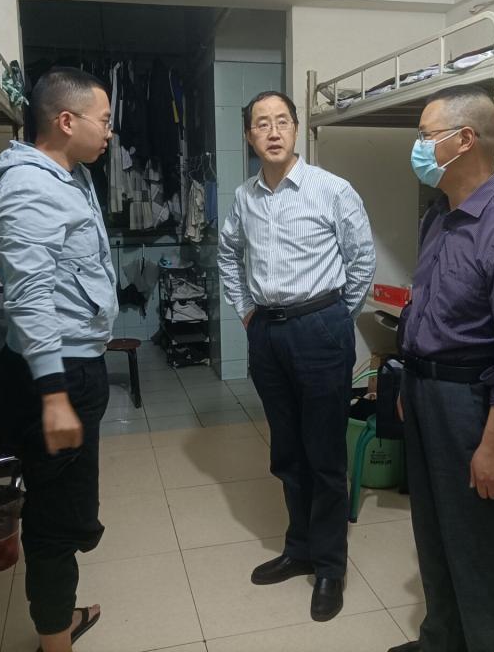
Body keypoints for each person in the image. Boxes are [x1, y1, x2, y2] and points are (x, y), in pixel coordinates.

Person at [388, 85, 494, 652]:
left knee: (481, 550)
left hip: (472, 408)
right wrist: (410, 379)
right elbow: (426, 306)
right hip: (426, 393)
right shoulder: (439, 216)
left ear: (464, 140)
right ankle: (442, 641)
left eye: (426, 135)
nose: (418, 147)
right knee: (433, 532)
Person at [0, 67, 118, 652]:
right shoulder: (29, 187)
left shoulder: (71, 176)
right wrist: (55, 395)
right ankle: (55, 641)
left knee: (68, 508)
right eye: (103, 120)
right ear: (66, 120)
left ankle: (59, 617)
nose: (109, 131)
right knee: (57, 520)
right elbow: (29, 297)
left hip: (73, 367)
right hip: (55, 375)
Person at [217, 90, 376, 622]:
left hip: (320, 327)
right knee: (287, 452)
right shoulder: (245, 198)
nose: (273, 131)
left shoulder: (332, 190)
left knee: (325, 455)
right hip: (267, 333)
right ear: (249, 136)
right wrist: (246, 311)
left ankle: (330, 566)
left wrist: (335, 318)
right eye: (262, 123)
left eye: (282, 121)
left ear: (295, 129)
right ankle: (299, 547)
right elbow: (227, 253)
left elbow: (361, 261)